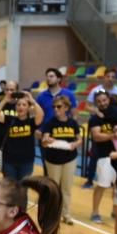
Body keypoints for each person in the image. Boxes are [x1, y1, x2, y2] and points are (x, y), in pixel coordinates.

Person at [37, 96, 80, 224]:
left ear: (66, 108)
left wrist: (75, 144)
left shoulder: (72, 123)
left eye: (59, 107)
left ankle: (66, 214)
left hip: (69, 158)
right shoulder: (50, 123)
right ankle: (53, 214)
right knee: (54, 188)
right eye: (54, 107)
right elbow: (45, 140)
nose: (56, 109)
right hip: (53, 159)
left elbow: (79, 139)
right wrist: (46, 140)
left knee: (66, 188)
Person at [87, 90, 117, 223]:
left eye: (104, 100)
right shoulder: (95, 118)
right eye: (99, 101)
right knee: (102, 185)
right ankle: (94, 212)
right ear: (96, 103)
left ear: (109, 100)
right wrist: (113, 136)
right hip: (104, 156)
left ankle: (116, 212)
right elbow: (97, 136)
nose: (102, 103)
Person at [0, 90, 44, 181]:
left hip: (26, 161)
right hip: (9, 161)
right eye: (18, 104)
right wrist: (5, 100)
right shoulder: (9, 119)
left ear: (28, 108)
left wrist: (32, 101)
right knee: (10, 188)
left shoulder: (31, 122)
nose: (21, 107)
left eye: (24, 105)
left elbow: (41, 114)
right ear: (15, 107)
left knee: (23, 188)